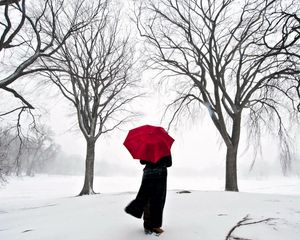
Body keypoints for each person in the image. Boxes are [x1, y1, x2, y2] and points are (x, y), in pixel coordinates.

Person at [124, 155, 172, 235]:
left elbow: (142, 162)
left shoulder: (147, 147)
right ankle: (155, 226)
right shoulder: (165, 149)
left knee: (146, 197)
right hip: (160, 175)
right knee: (158, 200)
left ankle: (147, 225)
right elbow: (169, 164)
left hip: (148, 174)